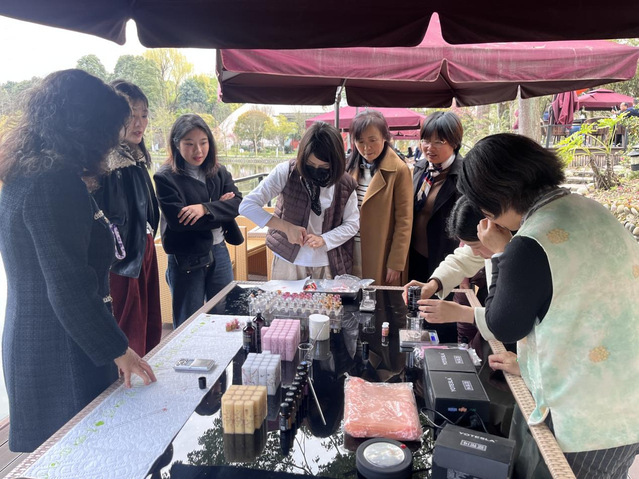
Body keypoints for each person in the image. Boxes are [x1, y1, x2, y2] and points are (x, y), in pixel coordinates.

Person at [425, 133, 639, 478]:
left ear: (496, 198)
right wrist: (530, 366)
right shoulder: (588, 208)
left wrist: (501, 253)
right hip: (625, 397)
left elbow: (504, 324)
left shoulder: (530, 241)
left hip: (586, 417)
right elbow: (575, 309)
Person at [0, 69, 157, 452]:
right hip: (62, 349)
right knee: (77, 452)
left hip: (35, 338)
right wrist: (120, 350)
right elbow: (70, 287)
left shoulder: (25, 173)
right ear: (84, 129)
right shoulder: (55, 185)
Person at [89, 80, 161, 356]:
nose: (139, 123)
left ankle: (145, 370)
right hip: (120, 257)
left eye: (144, 115)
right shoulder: (102, 163)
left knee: (149, 321)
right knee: (127, 325)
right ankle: (126, 380)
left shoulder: (137, 159)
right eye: (131, 115)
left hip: (143, 247)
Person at [239, 122, 359, 280]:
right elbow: (247, 206)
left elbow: (352, 223)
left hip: (328, 262)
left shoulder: (345, 183)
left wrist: (325, 239)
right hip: (288, 261)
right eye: (310, 164)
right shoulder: (287, 172)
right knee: (285, 297)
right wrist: (286, 227)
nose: (316, 170)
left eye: (324, 166)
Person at [154, 114, 243, 328]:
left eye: (203, 143)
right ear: (176, 144)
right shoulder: (165, 177)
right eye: (189, 144)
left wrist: (204, 209)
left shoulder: (218, 171)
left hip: (219, 251)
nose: (198, 151)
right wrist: (221, 209)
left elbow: (238, 203)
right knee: (189, 320)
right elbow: (179, 221)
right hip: (187, 257)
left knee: (224, 313)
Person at [346, 110, 412, 286]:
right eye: (360, 141)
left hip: (381, 252)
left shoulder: (399, 169)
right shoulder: (350, 168)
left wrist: (396, 262)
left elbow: (404, 221)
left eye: (372, 140)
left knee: (377, 299)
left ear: (384, 137)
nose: (366, 148)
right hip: (350, 247)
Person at [409, 111, 464, 283]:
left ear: (454, 142)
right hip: (414, 256)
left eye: (439, 142)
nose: (429, 147)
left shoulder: (464, 175)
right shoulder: (420, 168)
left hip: (445, 260)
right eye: (425, 140)